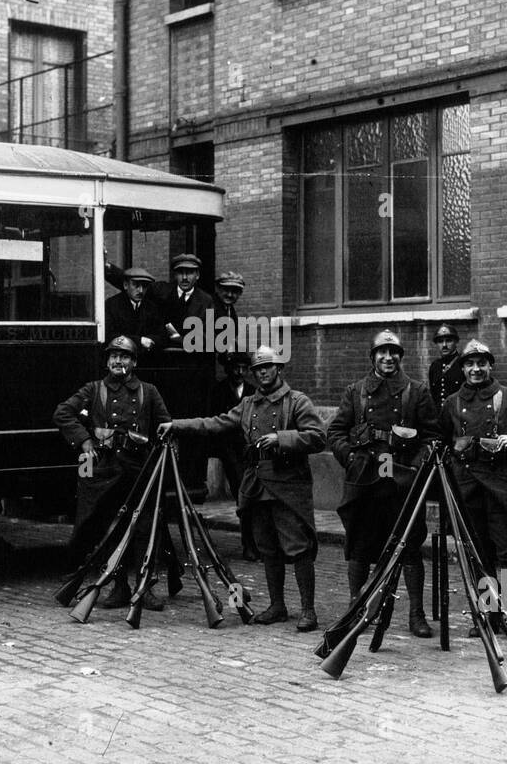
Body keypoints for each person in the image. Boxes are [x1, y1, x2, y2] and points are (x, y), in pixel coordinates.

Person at [160, 345, 326, 630]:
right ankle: (277, 606)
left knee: (298, 548)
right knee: (267, 548)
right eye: (258, 369)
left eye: (268, 367)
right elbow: (214, 423)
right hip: (257, 485)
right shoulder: (248, 404)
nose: (262, 373)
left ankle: (308, 610)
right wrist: (176, 425)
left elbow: (318, 436)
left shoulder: (297, 401)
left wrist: (282, 438)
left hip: (287, 486)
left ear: (279, 369)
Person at [327, 330, 441, 638]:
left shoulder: (416, 391)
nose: (388, 357)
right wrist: (349, 457)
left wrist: (417, 468)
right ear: (373, 357)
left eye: (393, 352)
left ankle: (416, 615)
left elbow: (432, 437)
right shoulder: (356, 391)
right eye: (382, 352)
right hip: (365, 481)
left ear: (401, 357)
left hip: (402, 485)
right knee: (360, 547)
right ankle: (356, 607)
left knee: (410, 547)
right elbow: (336, 431)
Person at [440, 339, 507, 654]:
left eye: (481, 363)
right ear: (464, 368)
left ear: (489, 366)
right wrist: (453, 452)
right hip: (468, 490)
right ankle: (488, 614)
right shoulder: (452, 403)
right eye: (469, 364)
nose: (475, 369)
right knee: (477, 556)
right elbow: (441, 442)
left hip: (503, 490)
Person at [53, 336, 172, 610]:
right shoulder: (93, 390)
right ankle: (119, 587)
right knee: (109, 530)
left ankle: (145, 589)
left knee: (144, 529)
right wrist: (84, 441)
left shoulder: (149, 391)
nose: (119, 361)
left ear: (134, 362)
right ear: (107, 361)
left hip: (140, 470)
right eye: (114, 356)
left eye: (125, 356)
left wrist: (168, 452)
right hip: (105, 471)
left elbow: (166, 426)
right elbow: (63, 414)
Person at [207, 349, 257, 560]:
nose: (239, 372)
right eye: (235, 368)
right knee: (243, 495)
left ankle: (257, 542)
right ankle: (249, 545)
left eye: (243, 368)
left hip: (250, 450)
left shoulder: (253, 391)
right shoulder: (218, 391)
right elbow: (214, 421)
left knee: (254, 496)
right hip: (230, 451)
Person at [105, 266, 168, 357]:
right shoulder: (112, 305)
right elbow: (110, 336)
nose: (141, 290)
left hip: (146, 360)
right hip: (120, 358)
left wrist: (150, 341)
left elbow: (163, 337)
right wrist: (140, 341)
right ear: (125, 285)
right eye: (136, 285)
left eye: (144, 286)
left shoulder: (152, 307)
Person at [427, 324, 463, 409]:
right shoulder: (435, 366)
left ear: (456, 342)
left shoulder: (463, 363)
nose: (444, 345)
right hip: (440, 415)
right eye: (440, 341)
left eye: (448, 341)